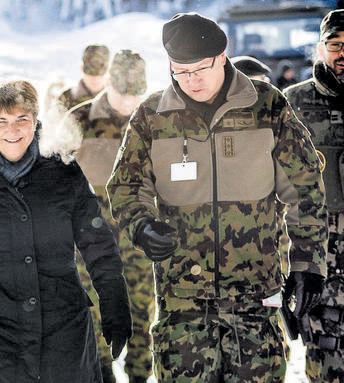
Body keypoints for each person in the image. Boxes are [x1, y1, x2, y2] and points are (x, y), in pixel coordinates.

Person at [108, 13, 328, 382]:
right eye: (180, 72)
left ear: (222, 58)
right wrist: (141, 226)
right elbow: (127, 187)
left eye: (199, 69)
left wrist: (308, 264)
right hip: (182, 304)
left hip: (255, 302)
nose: (190, 81)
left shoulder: (266, 107)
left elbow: (305, 189)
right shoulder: (153, 115)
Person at [0, 80, 132, 382]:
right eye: (1, 121)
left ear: (35, 120)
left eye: (21, 120)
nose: (12, 131)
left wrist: (115, 306)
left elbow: (98, 244)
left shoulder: (62, 168)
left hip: (62, 324)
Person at [67, 49, 152, 383]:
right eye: (123, 95)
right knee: (94, 309)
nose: (129, 104)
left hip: (140, 231)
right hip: (90, 235)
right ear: (109, 86)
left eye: (136, 95)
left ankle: (140, 375)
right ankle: (102, 373)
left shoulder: (153, 117)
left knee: (143, 311)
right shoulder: (79, 119)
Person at [284, 9, 344, 382]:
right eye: (335, 44)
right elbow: (270, 190)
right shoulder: (291, 105)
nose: (342, 53)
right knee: (327, 369)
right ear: (320, 50)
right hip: (320, 265)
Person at [57, 44, 110, 111]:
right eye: (90, 72)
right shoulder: (66, 98)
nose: (95, 78)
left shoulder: (117, 100)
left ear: (108, 70)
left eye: (100, 73)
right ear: (82, 68)